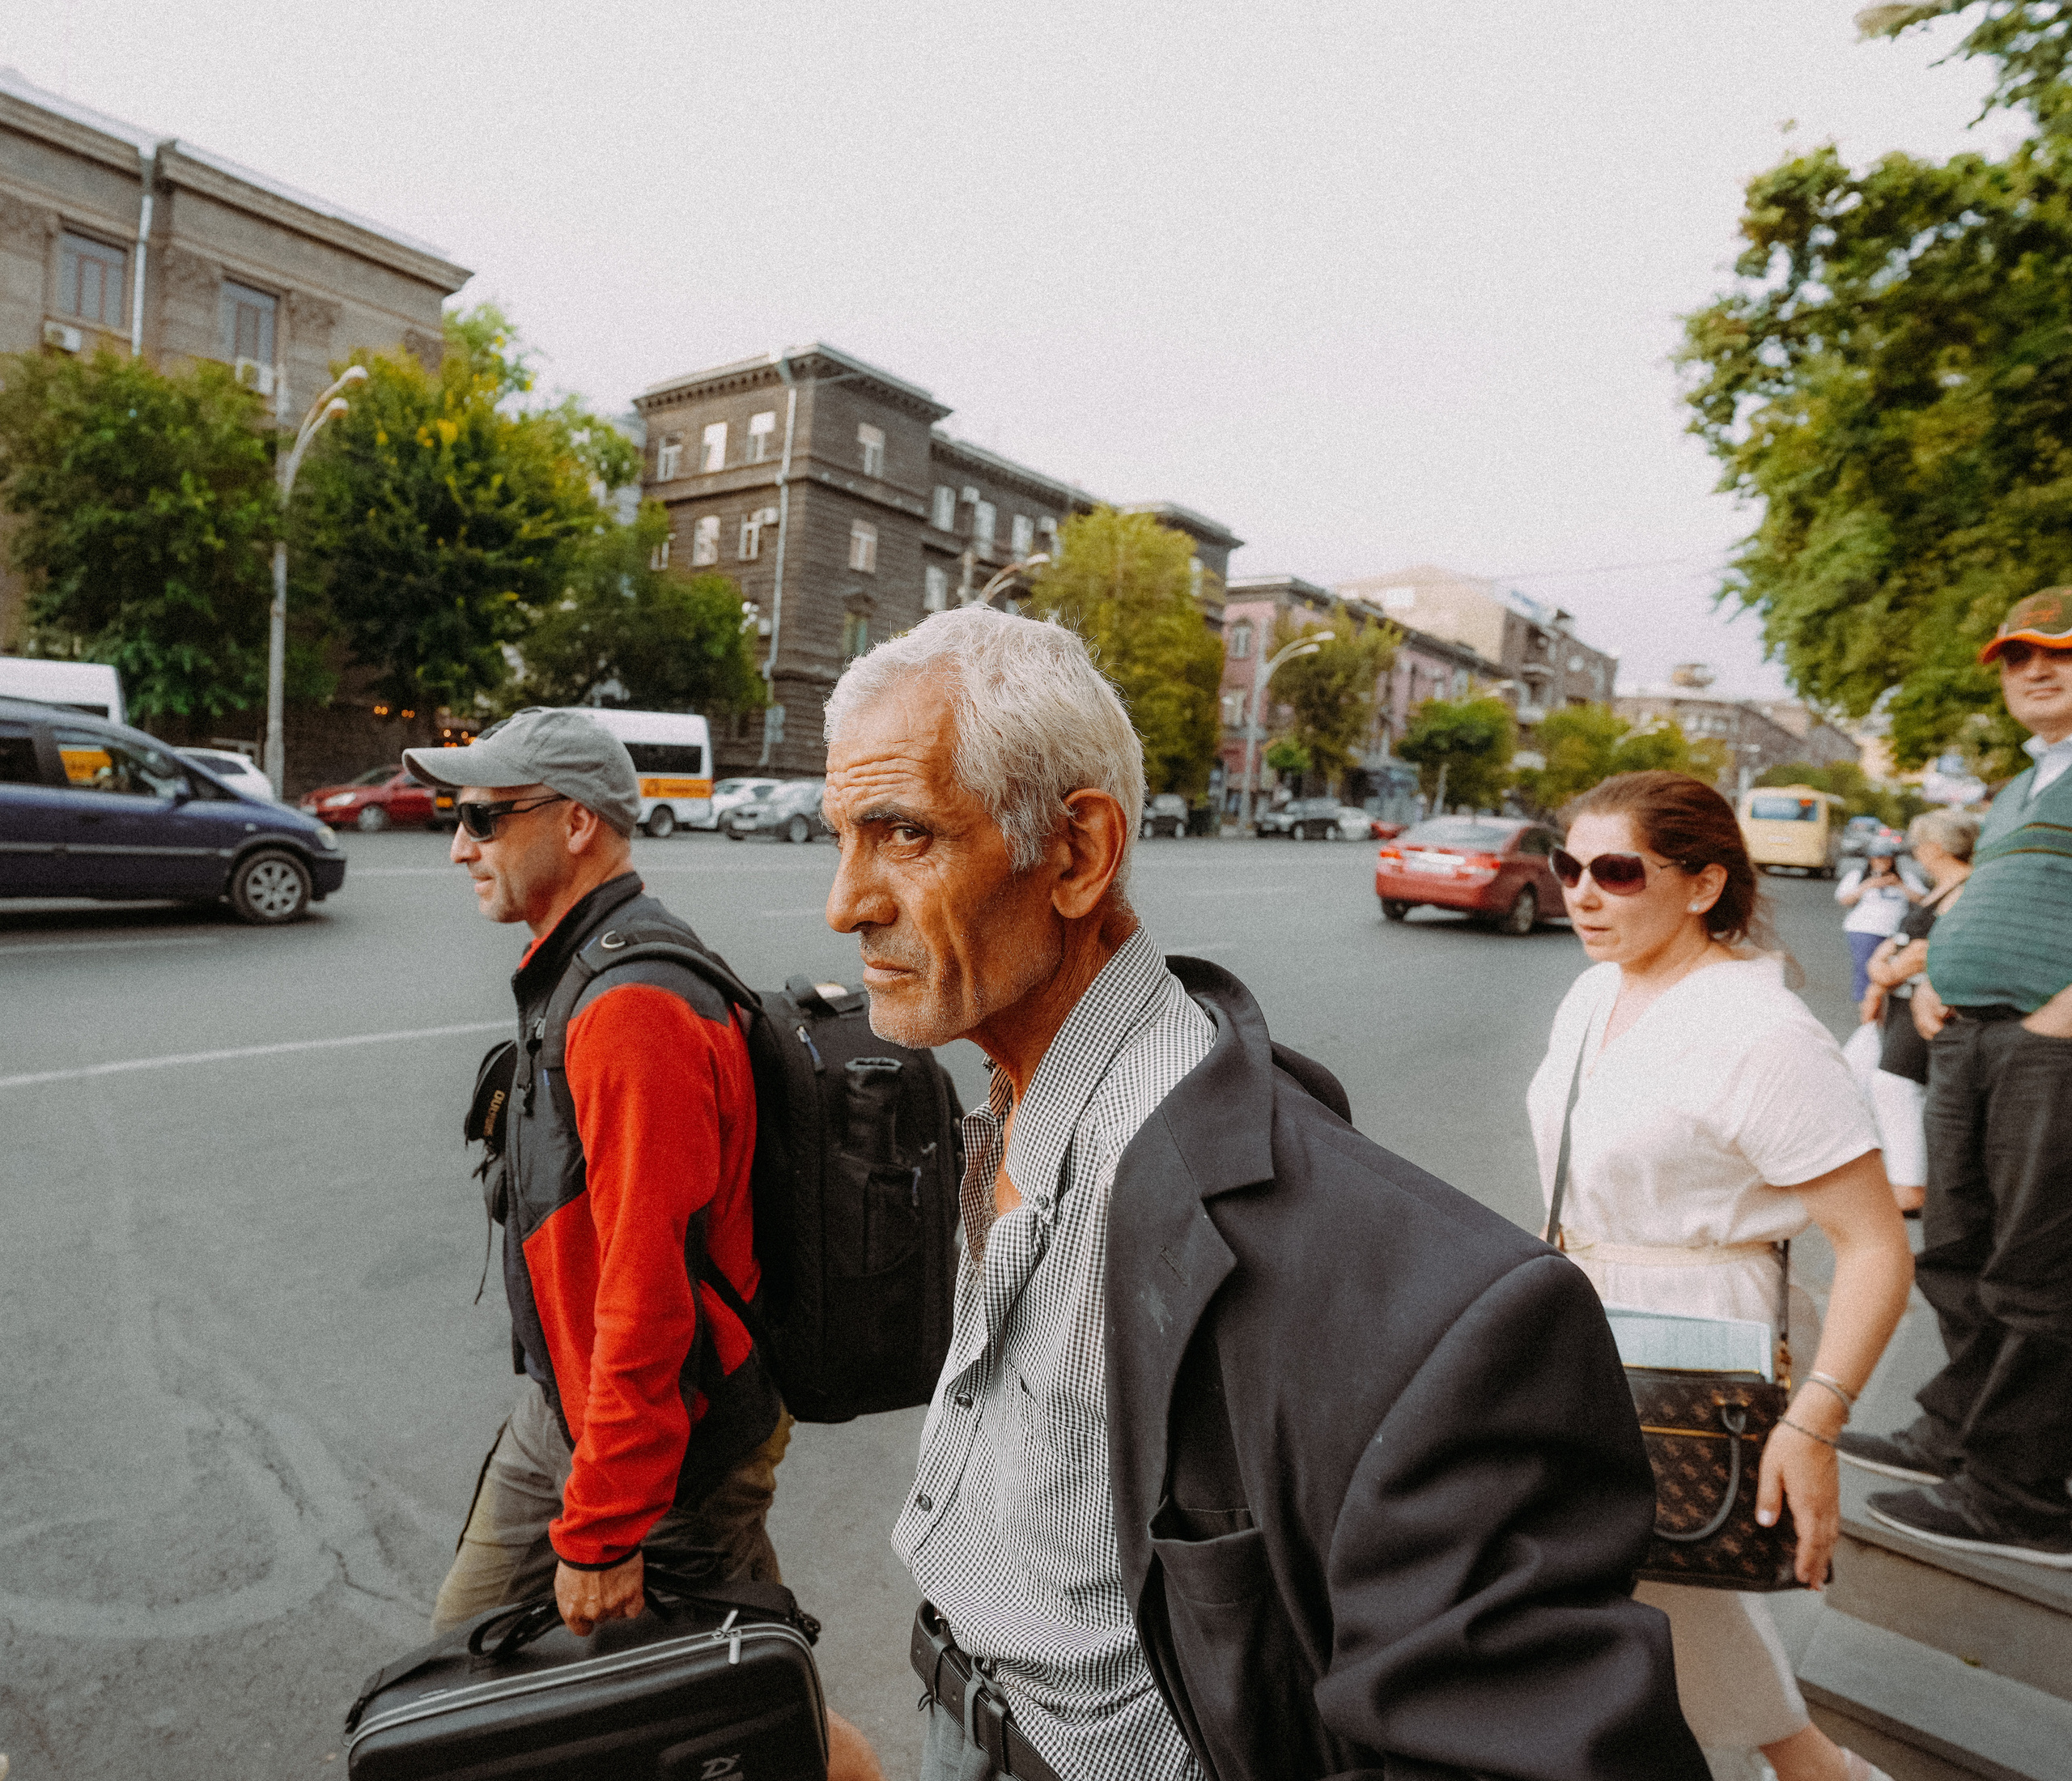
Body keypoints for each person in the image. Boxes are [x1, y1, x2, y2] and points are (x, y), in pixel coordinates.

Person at [819, 606, 1707, 1781]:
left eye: (904, 836)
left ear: (1077, 855)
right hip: (966, 1715)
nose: (847, 902)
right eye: (845, 838)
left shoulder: (1402, 1290)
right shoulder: (1004, 1104)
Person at [402, 710, 883, 1781]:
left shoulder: (631, 1009)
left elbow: (648, 1288)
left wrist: (609, 1523)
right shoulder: (577, 967)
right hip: (568, 1417)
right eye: (456, 814)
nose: (459, 844)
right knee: (459, 1672)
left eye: (483, 815)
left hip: (675, 1448)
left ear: (575, 824)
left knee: (743, 1710)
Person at [1529, 770, 1914, 1781]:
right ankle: (1800, 1765)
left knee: (1668, 1582)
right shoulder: (1590, 992)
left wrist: (1815, 1421)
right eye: (1568, 865)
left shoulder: (1765, 1036)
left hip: (1702, 1339)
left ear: (1702, 886)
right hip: (1579, 1325)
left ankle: (1806, 1765)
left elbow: (1876, 1243)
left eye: (1617, 871)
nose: (1581, 892)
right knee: (1630, 1591)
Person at [1842, 587, 2072, 1569]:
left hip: (2045, 1046)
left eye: (2059, 652)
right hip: (1969, 1034)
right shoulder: (2030, 781)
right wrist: (1937, 971)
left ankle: (2020, 1494)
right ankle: (1956, 1434)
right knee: (1958, 1247)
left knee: (2038, 1269)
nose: (2035, 670)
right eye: (2018, 657)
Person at [1856, 809, 1979, 1214]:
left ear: (1935, 847)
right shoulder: (1943, 887)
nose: (1915, 852)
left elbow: (1923, 952)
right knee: (1879, 1081)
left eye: (1919, 844)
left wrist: (1883, 972)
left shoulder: (1961, 888)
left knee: (1896, 1085)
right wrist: (1881, 972)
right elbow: (1899, 944)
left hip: (1919, 1003)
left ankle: (1910, 1185)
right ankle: (1901, 1176)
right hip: (1903, 1000)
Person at [1835, 839, 1920, 1002]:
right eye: (1877, 858)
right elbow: (1844, 899)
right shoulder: (1857, 876)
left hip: (1894, 934)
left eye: (1886, 858)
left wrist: (1899, 885)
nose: (1881, 862)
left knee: (1892, 973)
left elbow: (1923, 899)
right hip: (1863, 931)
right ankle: (1867, 1013)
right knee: (1866, 971)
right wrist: (1867, 885)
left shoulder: (1906, 878)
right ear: (1870, 859)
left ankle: (1884, 1009)